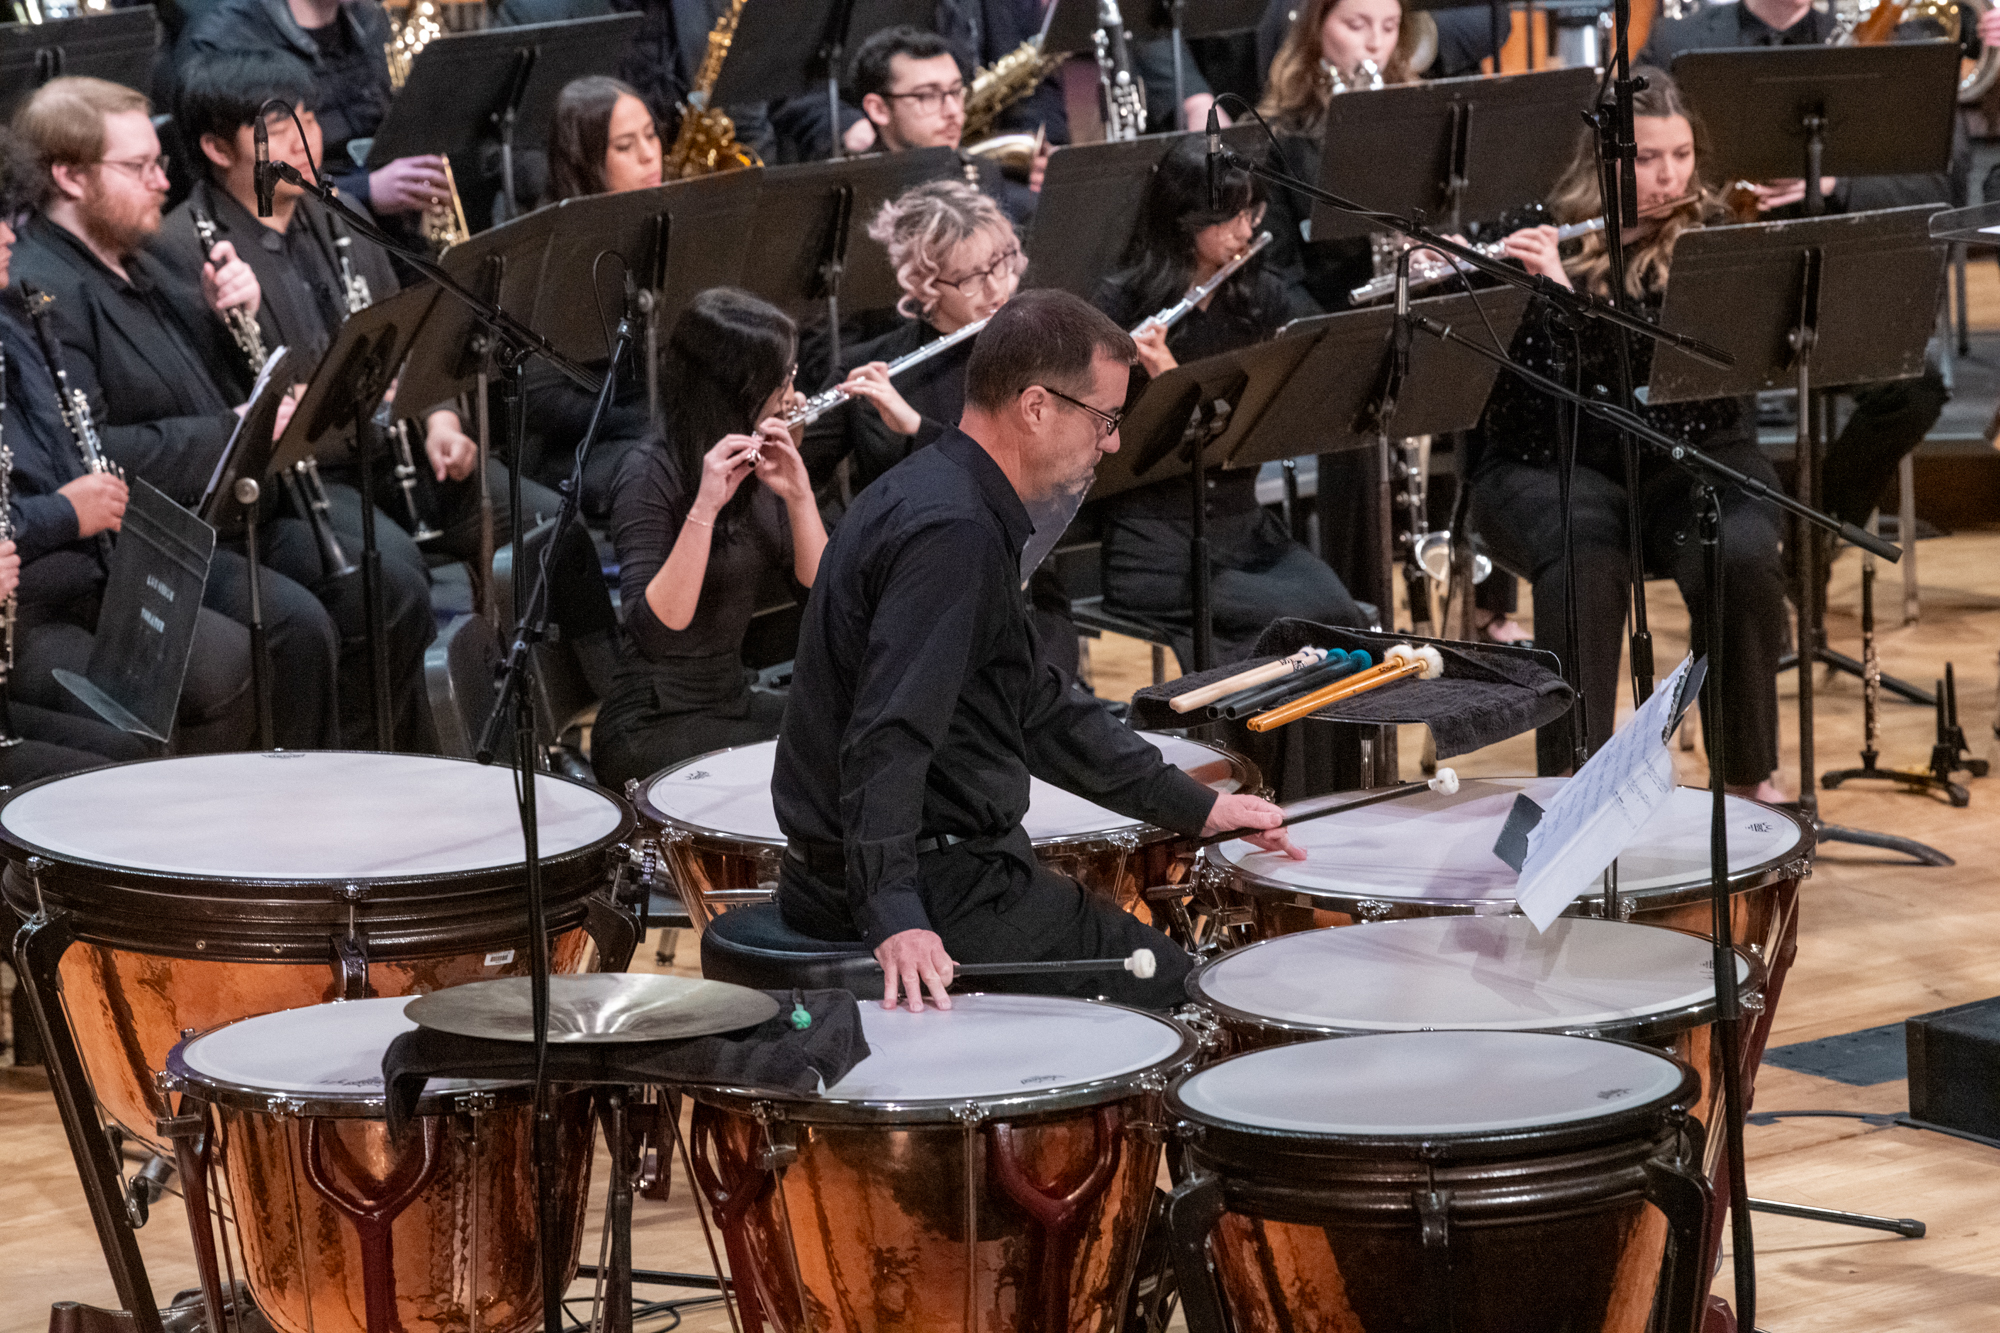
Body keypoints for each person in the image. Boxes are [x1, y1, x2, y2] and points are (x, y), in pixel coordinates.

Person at [772, 288, 1301, 1015]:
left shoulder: (940, 492)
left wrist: (1198, 806)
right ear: (1035, 406)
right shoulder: (951, 532)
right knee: (1188, 997)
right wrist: (893, 910)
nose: (1113, 442)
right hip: (934, 882)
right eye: (1106, 418)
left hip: (933, 866)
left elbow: (1032, 702)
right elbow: (887, 732)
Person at [8, 76, 432, 751]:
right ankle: (292, 816)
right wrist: (235, 423)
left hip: (223, 509)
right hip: (148, 533)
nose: (159, 182)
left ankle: (369, 773)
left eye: (159, 162)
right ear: (69, 176)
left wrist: (229, 315)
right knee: (295, 625)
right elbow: (92, 455)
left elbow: (207, 384)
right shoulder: (47, 289)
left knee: (387, 586)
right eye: (139, 166)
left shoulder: (150, 260)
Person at [1467, 68, 1788, 802]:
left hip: (1691, 450)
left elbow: (1680, 396)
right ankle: (1573, 790)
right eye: (1646, 158)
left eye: (1679, 155)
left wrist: (1571, 302)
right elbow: (1533, 397)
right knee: (1585, 551)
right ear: (1605, 159)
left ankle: (1745, 778)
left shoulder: (1713, 238)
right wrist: (1517, 282)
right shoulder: (1538, 228)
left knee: (1737, 550)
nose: (1667, 175)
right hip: (1550, 457)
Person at [1639, 0, 1959, 539]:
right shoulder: (1678, 44)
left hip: (1834, 298)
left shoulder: (1880, 44)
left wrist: (1834, 183)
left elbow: (1932, 189)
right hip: (1719, 303)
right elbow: (1634, 164)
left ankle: (1814, 539)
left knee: (1916, 385)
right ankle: (1732, 551)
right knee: (1712, 404)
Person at [0, 127, 244, 769]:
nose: (7, 236)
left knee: (227, 656)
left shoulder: (15, 319)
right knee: (130, 732)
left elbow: (73, 449)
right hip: (27, 608)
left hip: (86, 570)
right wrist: (66, 512)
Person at [1088, 139, 1365, 667]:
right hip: (1157, 547)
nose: (1246, 230)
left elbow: (1316, 359)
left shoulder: (1258, 295)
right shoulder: (1119, 305)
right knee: (1287, 629)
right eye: (1230, 217)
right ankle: (1238, 746)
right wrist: (1155, 386)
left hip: (1246, 530)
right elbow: (1096, 442)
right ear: (1182, 221)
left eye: (1251, 212)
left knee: (1340, 615)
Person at [590, 289, 828, 790]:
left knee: (852, 730)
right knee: (803, 769)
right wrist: (704, 508)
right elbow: (656, 629)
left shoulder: (761, 461)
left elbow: (822, 596)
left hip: (729, 698)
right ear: (739, 387)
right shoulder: (649, 472)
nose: (791, 394)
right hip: (653, 722)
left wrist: (799, 495)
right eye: (781, 378)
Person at [801, 179, 1021, 503]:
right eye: (972, 278)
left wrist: (918, 429)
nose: (995, 290)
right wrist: (789, 440)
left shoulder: (1035, 351)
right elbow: (793, 481)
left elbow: (1017, 480)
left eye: (1000, 265)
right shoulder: (871, 368)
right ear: (923, 284)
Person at [177, 0, 456, 233]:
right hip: (293, 238)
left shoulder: (370, 18)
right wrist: (365, 190)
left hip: (389, 230)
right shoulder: (221, 38)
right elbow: (221, 184)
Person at [1257, 0, 1422, 311]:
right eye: (1356, 26)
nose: (1375, 44)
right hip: (1330, 318)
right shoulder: (1279, 137)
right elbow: (1275, 274)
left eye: (1389, 27)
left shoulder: (1421, 116)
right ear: (1316, 28)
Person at [845, 25, 1043, 227]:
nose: (953, 111)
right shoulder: (851, 193)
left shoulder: (981, 172)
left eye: (956, 91)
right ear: (878, 109)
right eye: (927, 96)